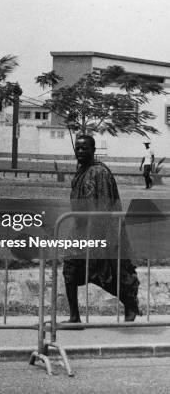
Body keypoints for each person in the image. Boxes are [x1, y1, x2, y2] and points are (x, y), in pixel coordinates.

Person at [63, 135, 140, 324]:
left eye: (85, 148)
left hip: (99, 231)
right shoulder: (81, 170)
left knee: (107, 274)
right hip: (80, 230)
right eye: (78, 148)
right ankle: (74, 316)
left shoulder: (100, 172)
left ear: (93, 150)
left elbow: (104, 206)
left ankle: (130, 302)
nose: (80, 152)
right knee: (70, 270)